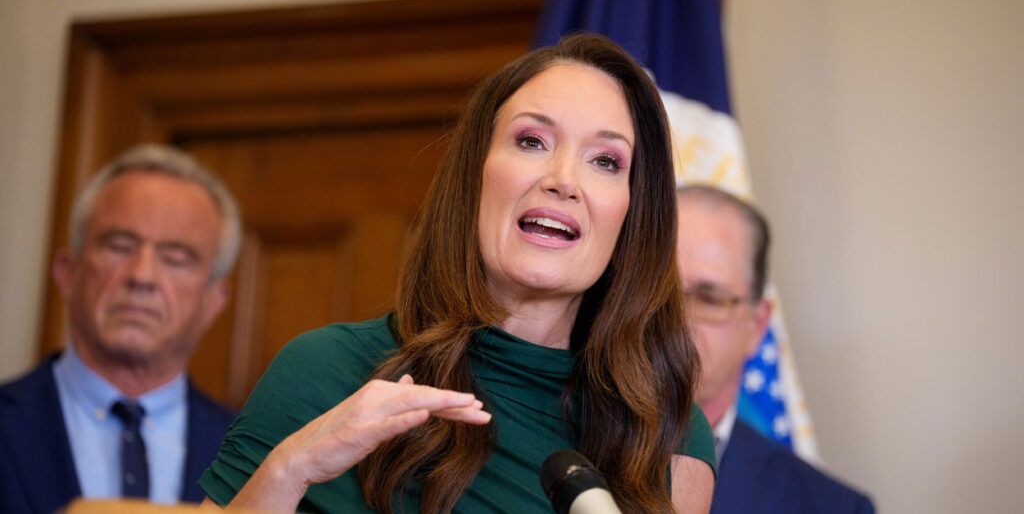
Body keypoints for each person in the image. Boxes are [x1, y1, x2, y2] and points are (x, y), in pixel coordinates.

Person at [198, 33, 716, 514]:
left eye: (605, 161)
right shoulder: (323, 373)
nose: (563, 180)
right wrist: (292, 468)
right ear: (475, 176)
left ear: (633, 214)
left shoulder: (669, 434)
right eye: (532, 141)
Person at [0, 144, 240, 513]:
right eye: (119, 246)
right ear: (67, 273)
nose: (142, 276)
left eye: (176, 258)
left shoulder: (250, 454)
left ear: (214, 301)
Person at [675, 184, 874, 513]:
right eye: (657, 290)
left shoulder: (831, 507)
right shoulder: (563, 452)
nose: (675, 320)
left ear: (756, 325)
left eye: (709, 299)